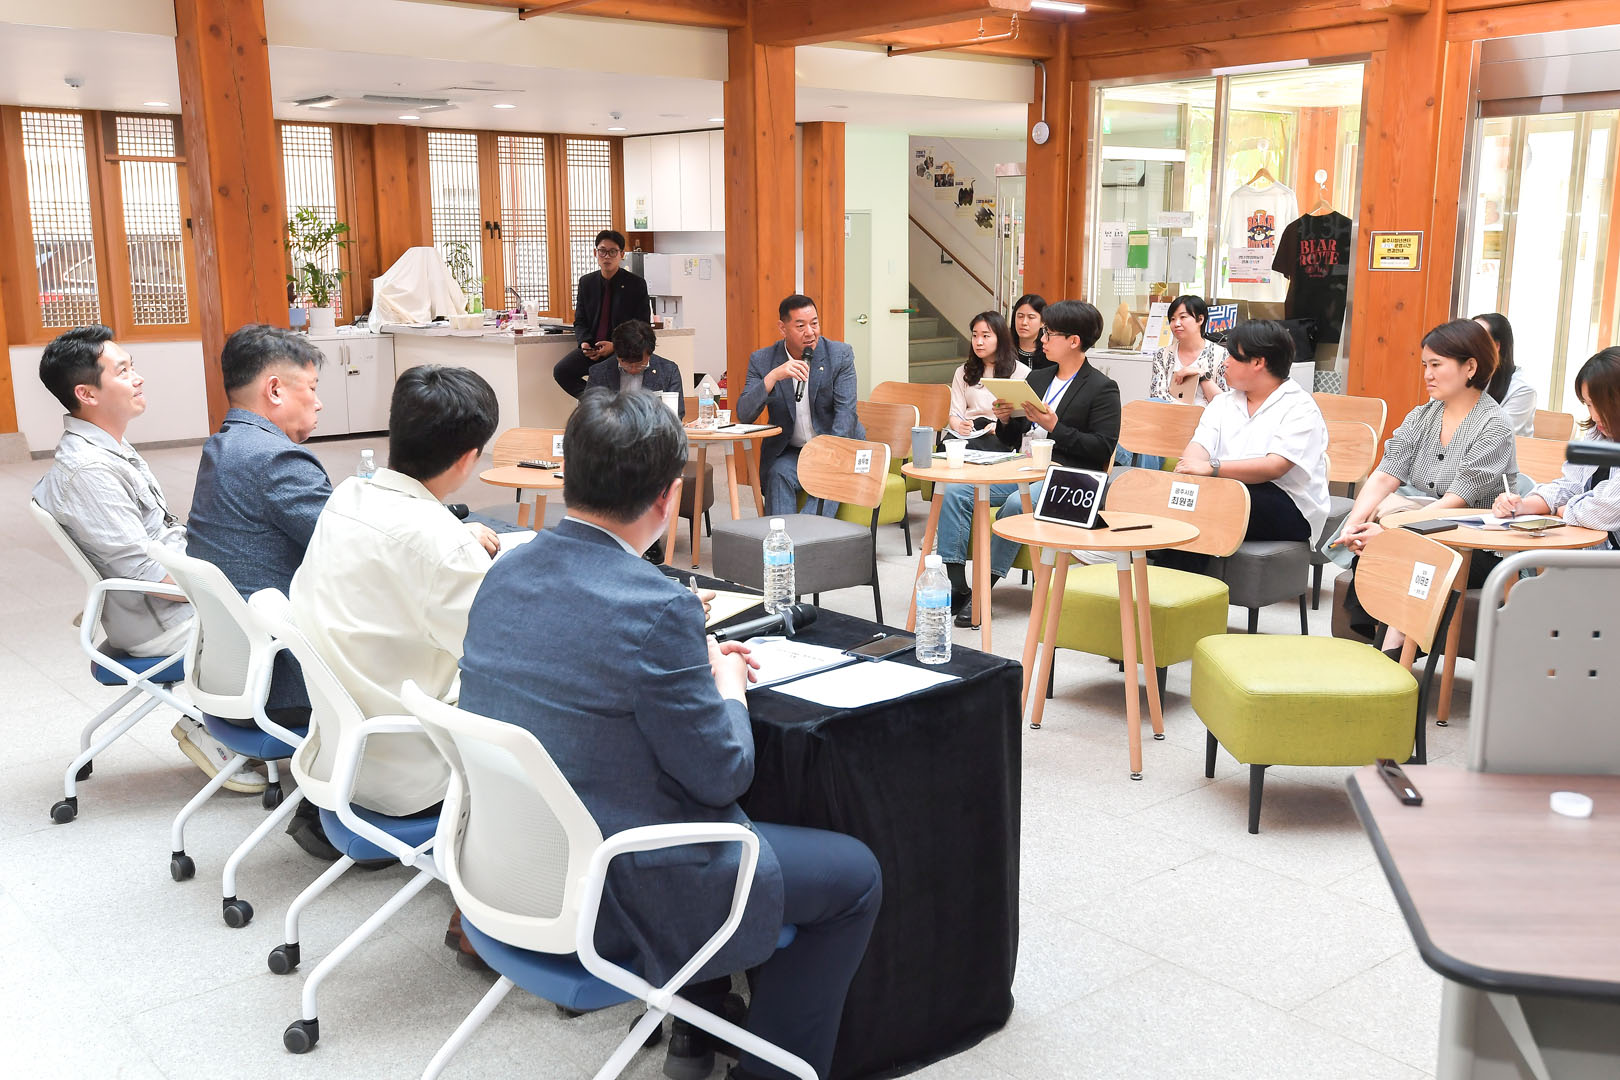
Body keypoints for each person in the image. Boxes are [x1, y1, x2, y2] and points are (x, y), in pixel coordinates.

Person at [459, 389, 881, 1080]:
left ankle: (697, 1027)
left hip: (508, 868)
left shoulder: (504, 570)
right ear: (669, 497)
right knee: (854, 876)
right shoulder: (658, 609)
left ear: (568, 478)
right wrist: (727, 683)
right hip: (619, 891)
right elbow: (723, 774)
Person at [31, 325, 252, 790]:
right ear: (87, 393)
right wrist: (234, 585)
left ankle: (243, 725)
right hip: (164, 623)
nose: (138, 378)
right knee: (295, 612)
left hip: (170, 600)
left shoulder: (106, 445)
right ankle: (231, 730)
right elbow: (151, 578)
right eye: (123, 371)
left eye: (133, 367)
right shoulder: (89, 470)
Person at [290, 364, 501, 818]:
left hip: (339, 749)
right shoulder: (445, 549)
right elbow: (501, 661)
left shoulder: (347, 497)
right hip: (415, 776)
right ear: (469, 458)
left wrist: (455, 538)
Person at [187, 325, 340, 855]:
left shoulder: (223, 445)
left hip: (234, 666)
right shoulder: (277, 459)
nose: (319, 402)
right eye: (311, 388)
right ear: (274, 389)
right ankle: (354, 806)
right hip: (286, 678)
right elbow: (355, 551)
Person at [937, 300, 1121, 626]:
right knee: (957, 490)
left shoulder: (1102, 388)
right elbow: (1013, 437)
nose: (1042, 339)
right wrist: (1006, 419)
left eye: (1049, 334)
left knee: (1015, 502)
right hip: (1027, 466)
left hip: (1072, 479)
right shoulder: (1039, 378)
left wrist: (1055, 427)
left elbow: (1101, 449)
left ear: (1074, 341)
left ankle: (983, 590)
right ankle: (957, 585)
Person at [1335, 318, 1517, 644]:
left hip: (1477, 547)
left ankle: (1389, 657)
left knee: (1405, 558)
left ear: (1470, 367)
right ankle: (1385, 655)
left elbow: (1454, 502)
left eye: (1436, 364)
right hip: (1426, 532)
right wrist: (1353, 524)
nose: (1427, 375)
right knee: (1382, 552)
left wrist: (1391, 535)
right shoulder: (1421, 416)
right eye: (1425, 365)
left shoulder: (1494, 425)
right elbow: (1385, 475)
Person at [1168, 320, 1329, 572]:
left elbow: (1274, 467)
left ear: (1257, 362)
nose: (1225, 363)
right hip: (1228, 489)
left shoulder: (1300, 406)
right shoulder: (1223, 403)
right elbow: (1197, 450)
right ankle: (1167, 583)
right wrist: (1190, 471)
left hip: (1288, 503)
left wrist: (1212, 468)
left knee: (1206, 509)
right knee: (1177, 499)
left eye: (1233, 356)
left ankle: (1177, 585)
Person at [735, 294, 864, 517]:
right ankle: (781, 535)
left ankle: (805, 534)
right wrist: (772, 377)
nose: (810, 332)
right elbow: (744, 414)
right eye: (801, 326)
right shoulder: (763, 360)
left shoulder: (839, 355)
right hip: (794, 452)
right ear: (782, 328)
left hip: (836, 448)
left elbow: (846, 414)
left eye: (814, 323)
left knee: (828, 478)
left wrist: (827, 457)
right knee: (778, 474)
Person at [1494, 346, 1620, 548]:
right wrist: (1523, 505)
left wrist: (1565, 510)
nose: (1595, 415)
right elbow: (1569, 485)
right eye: (1588, 404)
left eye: (1601, 405)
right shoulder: (1597, 435)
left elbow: (1604, 510)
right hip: (1587, 552)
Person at [552, 229, 651, 398]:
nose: (607, 256)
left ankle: (606, 403)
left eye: (613, 252)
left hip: (621, 350)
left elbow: (642, 325)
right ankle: (598, 402)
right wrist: (584, 342)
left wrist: (615, 345)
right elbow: (580, 320)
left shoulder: (636, 284)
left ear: (622, 254)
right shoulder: (586, 282)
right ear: (595, 253)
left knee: (604, 374)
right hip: (592, 349)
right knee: (562, 371)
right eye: (602, 251)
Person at [946, 310, 1028, 446]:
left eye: (985, 336)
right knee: (947, 445)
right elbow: (955, 414)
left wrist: (1000, 426)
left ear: (1000, 339)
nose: (978, 342)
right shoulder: (963, 371)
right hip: (970, 431)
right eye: (975, 336)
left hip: (1000, 434)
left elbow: (1022, 419)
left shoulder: (1020, 372)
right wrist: (960, 426)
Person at [586, 318, 686, 418]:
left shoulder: (668, 371)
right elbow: (589, 413)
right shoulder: (599, 372)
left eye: (640, 364)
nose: (633, 370)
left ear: (650, 354)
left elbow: (676, 415)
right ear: (616, 354)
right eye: (626, 364)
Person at [1149, 294, 1229, 406]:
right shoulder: (1163, 355)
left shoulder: (1221, 355)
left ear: (1200, 319)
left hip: (1206, 416)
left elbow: (1224, 403)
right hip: (1170, 415)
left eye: (1183, 317)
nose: (1176, 324)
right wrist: (1187, 411)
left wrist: (1202, 375)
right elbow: (1157, 395)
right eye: (1172, 319)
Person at [1473, 312, 1536, 438]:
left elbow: (1496, 438)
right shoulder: (1457, 376)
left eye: (1475, 339)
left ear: (1496, 346)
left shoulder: (1522, 389)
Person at [1010, 293, 1050, 371]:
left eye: (1031, 317)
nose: (1024, 322)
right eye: (1020, 316)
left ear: (1043, 322)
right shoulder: (1004, 350)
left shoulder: (1050, 352)